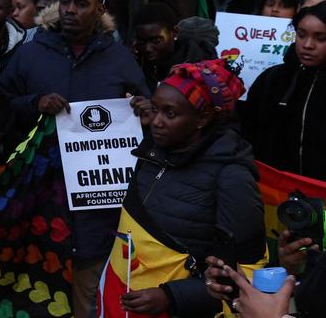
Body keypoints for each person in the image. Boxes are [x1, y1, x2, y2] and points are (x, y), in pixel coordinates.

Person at [0, 0, 147, 315]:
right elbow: (1, 105)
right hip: (39, 196)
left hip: (98, 208)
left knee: (88, 299)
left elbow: (148, 106)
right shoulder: (32, 52)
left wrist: (144, 108)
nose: (70, 10)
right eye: (65, 2)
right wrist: (34, 102)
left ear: (100, 10)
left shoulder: (119, 57)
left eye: (81, 4)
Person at [102, 60, 264, 317]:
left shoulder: (232, 177)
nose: (156, 121)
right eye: (155, 109)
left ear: (203, 118)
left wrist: (172, 297)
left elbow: (248, 274)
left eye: (170, 113)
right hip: (121, 300)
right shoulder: (152, 153)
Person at [239, 2, 326, 188]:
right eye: (301, 34)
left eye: (320, 38)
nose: (307, 45)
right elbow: (247, 130)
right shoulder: (273, 79)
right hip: (275, 191)